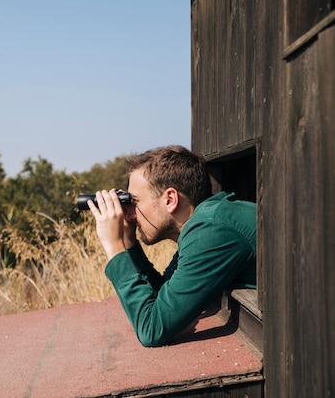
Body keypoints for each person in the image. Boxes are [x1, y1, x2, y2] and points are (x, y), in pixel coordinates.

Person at [88, 145, 256, 347]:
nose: (130, 214)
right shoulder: (204, 222)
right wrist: (129, 241)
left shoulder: (211, 230)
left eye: (134, 202)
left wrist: (114, 246)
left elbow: (152, 329)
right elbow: (162, 296)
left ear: (170, 199)